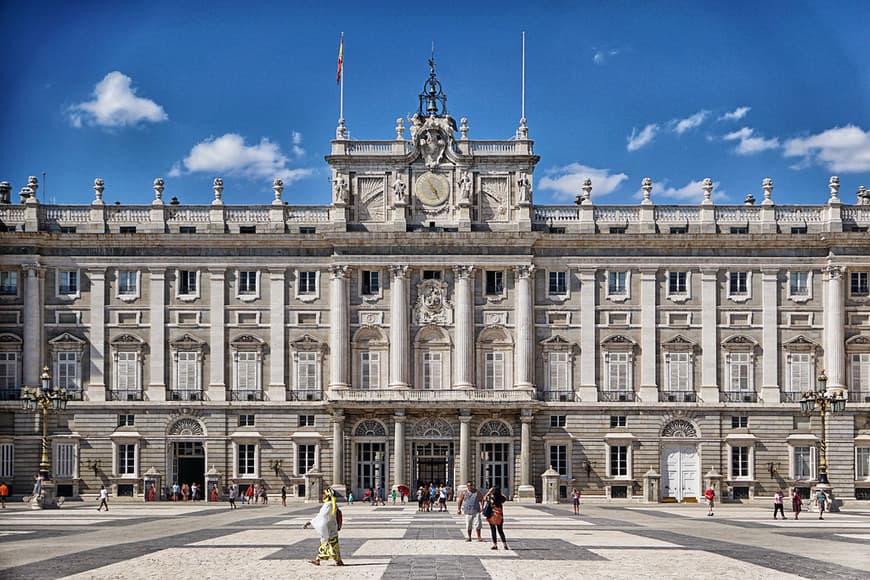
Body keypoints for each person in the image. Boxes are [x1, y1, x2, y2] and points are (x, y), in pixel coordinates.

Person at [303, 487, 344, 566]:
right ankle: (336, 560)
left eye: (324, 494)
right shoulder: (332, 503)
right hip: (331, 528)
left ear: (328, 495)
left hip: (329, 528)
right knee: (332, 545)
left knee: (329, 544)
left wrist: (311, 522)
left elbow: (321, 516)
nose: (323, 495)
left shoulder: (328, 504)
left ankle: (321, 560)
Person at [483, 486, 509, 550]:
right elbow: (505, 498)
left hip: (492, 516)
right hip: (499, 516)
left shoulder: (490, 498)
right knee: (500, 530)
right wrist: (500, 493)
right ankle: (505, 544)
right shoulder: (501, 498)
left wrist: (489, 492)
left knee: (493, 530)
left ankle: (495, 544)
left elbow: (484, 498)